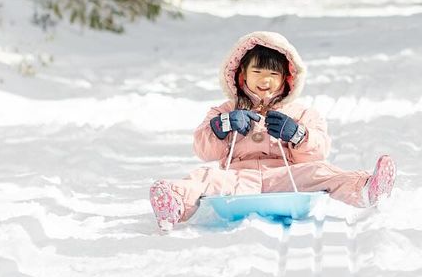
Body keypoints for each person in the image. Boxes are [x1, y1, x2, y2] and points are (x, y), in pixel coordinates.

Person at [148, 30, 396, 229]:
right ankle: (174, 203)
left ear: (286, 79)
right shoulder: (224, 110)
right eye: (257, 72)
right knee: (203, 176)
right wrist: (222, 125)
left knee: (321, 170)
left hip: (285, 179)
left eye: (273, 74)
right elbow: (204, 150)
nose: (264, 80)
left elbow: (318, 151)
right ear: (242, 76)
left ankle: (365, 189)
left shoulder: (300, 113)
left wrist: (297, 134)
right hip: (237, 179)